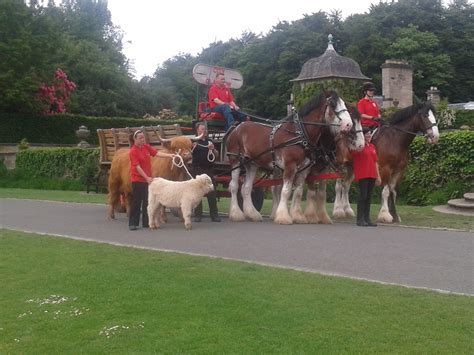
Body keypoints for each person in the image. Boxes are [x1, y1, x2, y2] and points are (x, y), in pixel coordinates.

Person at [128, 130, 174, 231]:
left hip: (148, 180)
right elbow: (137, 167)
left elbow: (157, 153)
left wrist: (170, 156)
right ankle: (133, 223)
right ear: (135, 139)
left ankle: (146, 222)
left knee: (147, 201)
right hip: (138, 180)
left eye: (143, 137)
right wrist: (146, 178)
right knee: (136, 201)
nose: (142, 139)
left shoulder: (146, 147)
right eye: (140, 138)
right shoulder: (133, 151)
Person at [351, 127, 381, 227]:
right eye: (367, 134)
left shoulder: (372, 146)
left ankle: (367, 218)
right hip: (363, 173)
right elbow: (353, 153)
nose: (369, 135)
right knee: (363, 196)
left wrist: (378, 176)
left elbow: (375, 162)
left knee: (369, 196)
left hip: (372, 174)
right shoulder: (359, 146)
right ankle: (360, 219)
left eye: (370, 134)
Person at [192, 122, 221, 222]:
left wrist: (213, 150)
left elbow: (216, 155)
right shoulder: (193, 141)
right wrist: (192, 147)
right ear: (198, 130)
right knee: (197, 192)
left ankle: (214, 215)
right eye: (202, 129)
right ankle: (198, 215)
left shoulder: (209, 141)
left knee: (211, 192)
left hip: (208, 169)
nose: (204, 131)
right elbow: (188, 153)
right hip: (197, 169)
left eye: (205, 129)